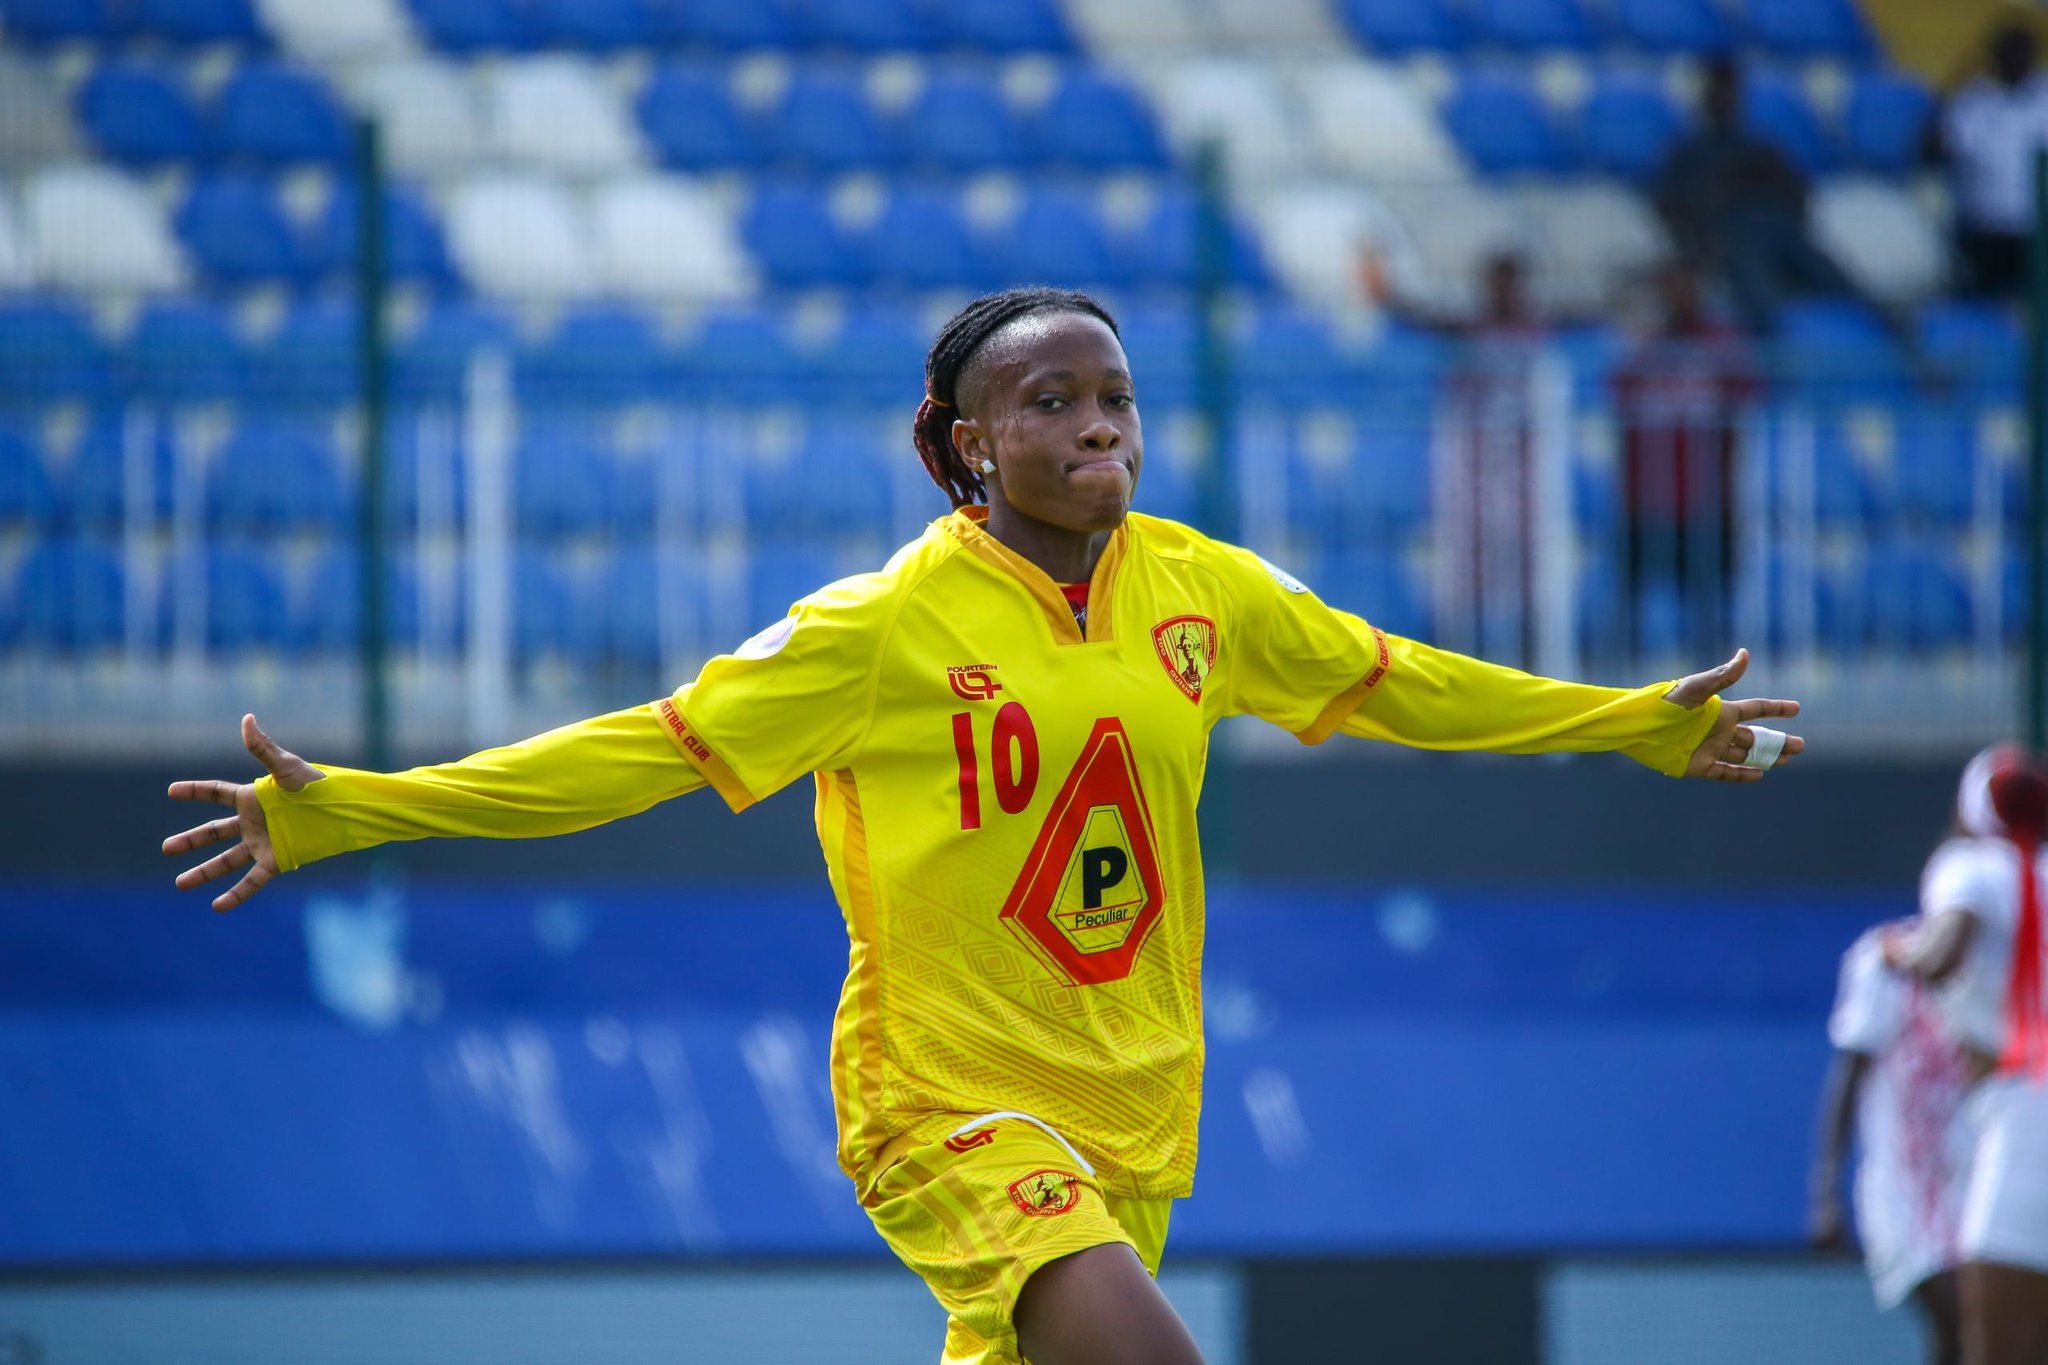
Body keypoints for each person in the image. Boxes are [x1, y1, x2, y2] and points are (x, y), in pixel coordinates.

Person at [161, 286, 1805, 1365]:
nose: (1099, 426)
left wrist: (1631, 722)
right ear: (970, 447)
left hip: (1133, 1109)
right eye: (1052, 401)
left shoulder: (1203, 589)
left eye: (1115, 396)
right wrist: (352, 812)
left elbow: (1407, 686)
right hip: (943, 1105)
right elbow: (638, 753)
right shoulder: (877, 629)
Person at [1886, 746, 2048, 1365]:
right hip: (2016, 1108)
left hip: (2026, 1107)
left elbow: (1942, 952)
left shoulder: (1970, 866)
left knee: (1995, 1347)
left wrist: (1903, 952)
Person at [1808, 917, 1971, 1365]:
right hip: (1903, 1194)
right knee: (1963, 1316)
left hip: (1974, 1188)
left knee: (1968, 1336)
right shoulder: (1883, 961)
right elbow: (1847, 1080)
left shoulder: (1998, 958)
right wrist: (1825, 1192)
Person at [1654, 58, 1868, 336]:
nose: (1724, 98)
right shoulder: (1688, 153)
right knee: (1760, 300)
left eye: (1730, 91)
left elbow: (1798, 195)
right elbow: (1670, 206)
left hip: (1779, 226)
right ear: (1704, 96)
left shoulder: (1760, 147)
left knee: (1840, 284)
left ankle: (1898, 337)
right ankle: (1772, 353)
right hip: (1731, 235)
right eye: (1717, 90)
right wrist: (1701, 244)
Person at [1610, 260, 1759, 659]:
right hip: (1646, 499)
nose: (1678, 297)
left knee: (1708, 599)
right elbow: (1616, 393)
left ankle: (1714, 679)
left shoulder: (1720, 345)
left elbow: (1748, 393)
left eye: (1686, 288)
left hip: (1704, 500)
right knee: (1628, 595)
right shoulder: (1643, 346)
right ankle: (1620, 676)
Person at [1931, 23, 2048, 299]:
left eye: (2021, 53)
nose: (2015, 60)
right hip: (1983, 227)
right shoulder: (1974, 98)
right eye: (2008, 53)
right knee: (1981, 302)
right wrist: (1957, 82)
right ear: (1994, 56)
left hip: (2037, 231)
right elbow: (1936, 148)